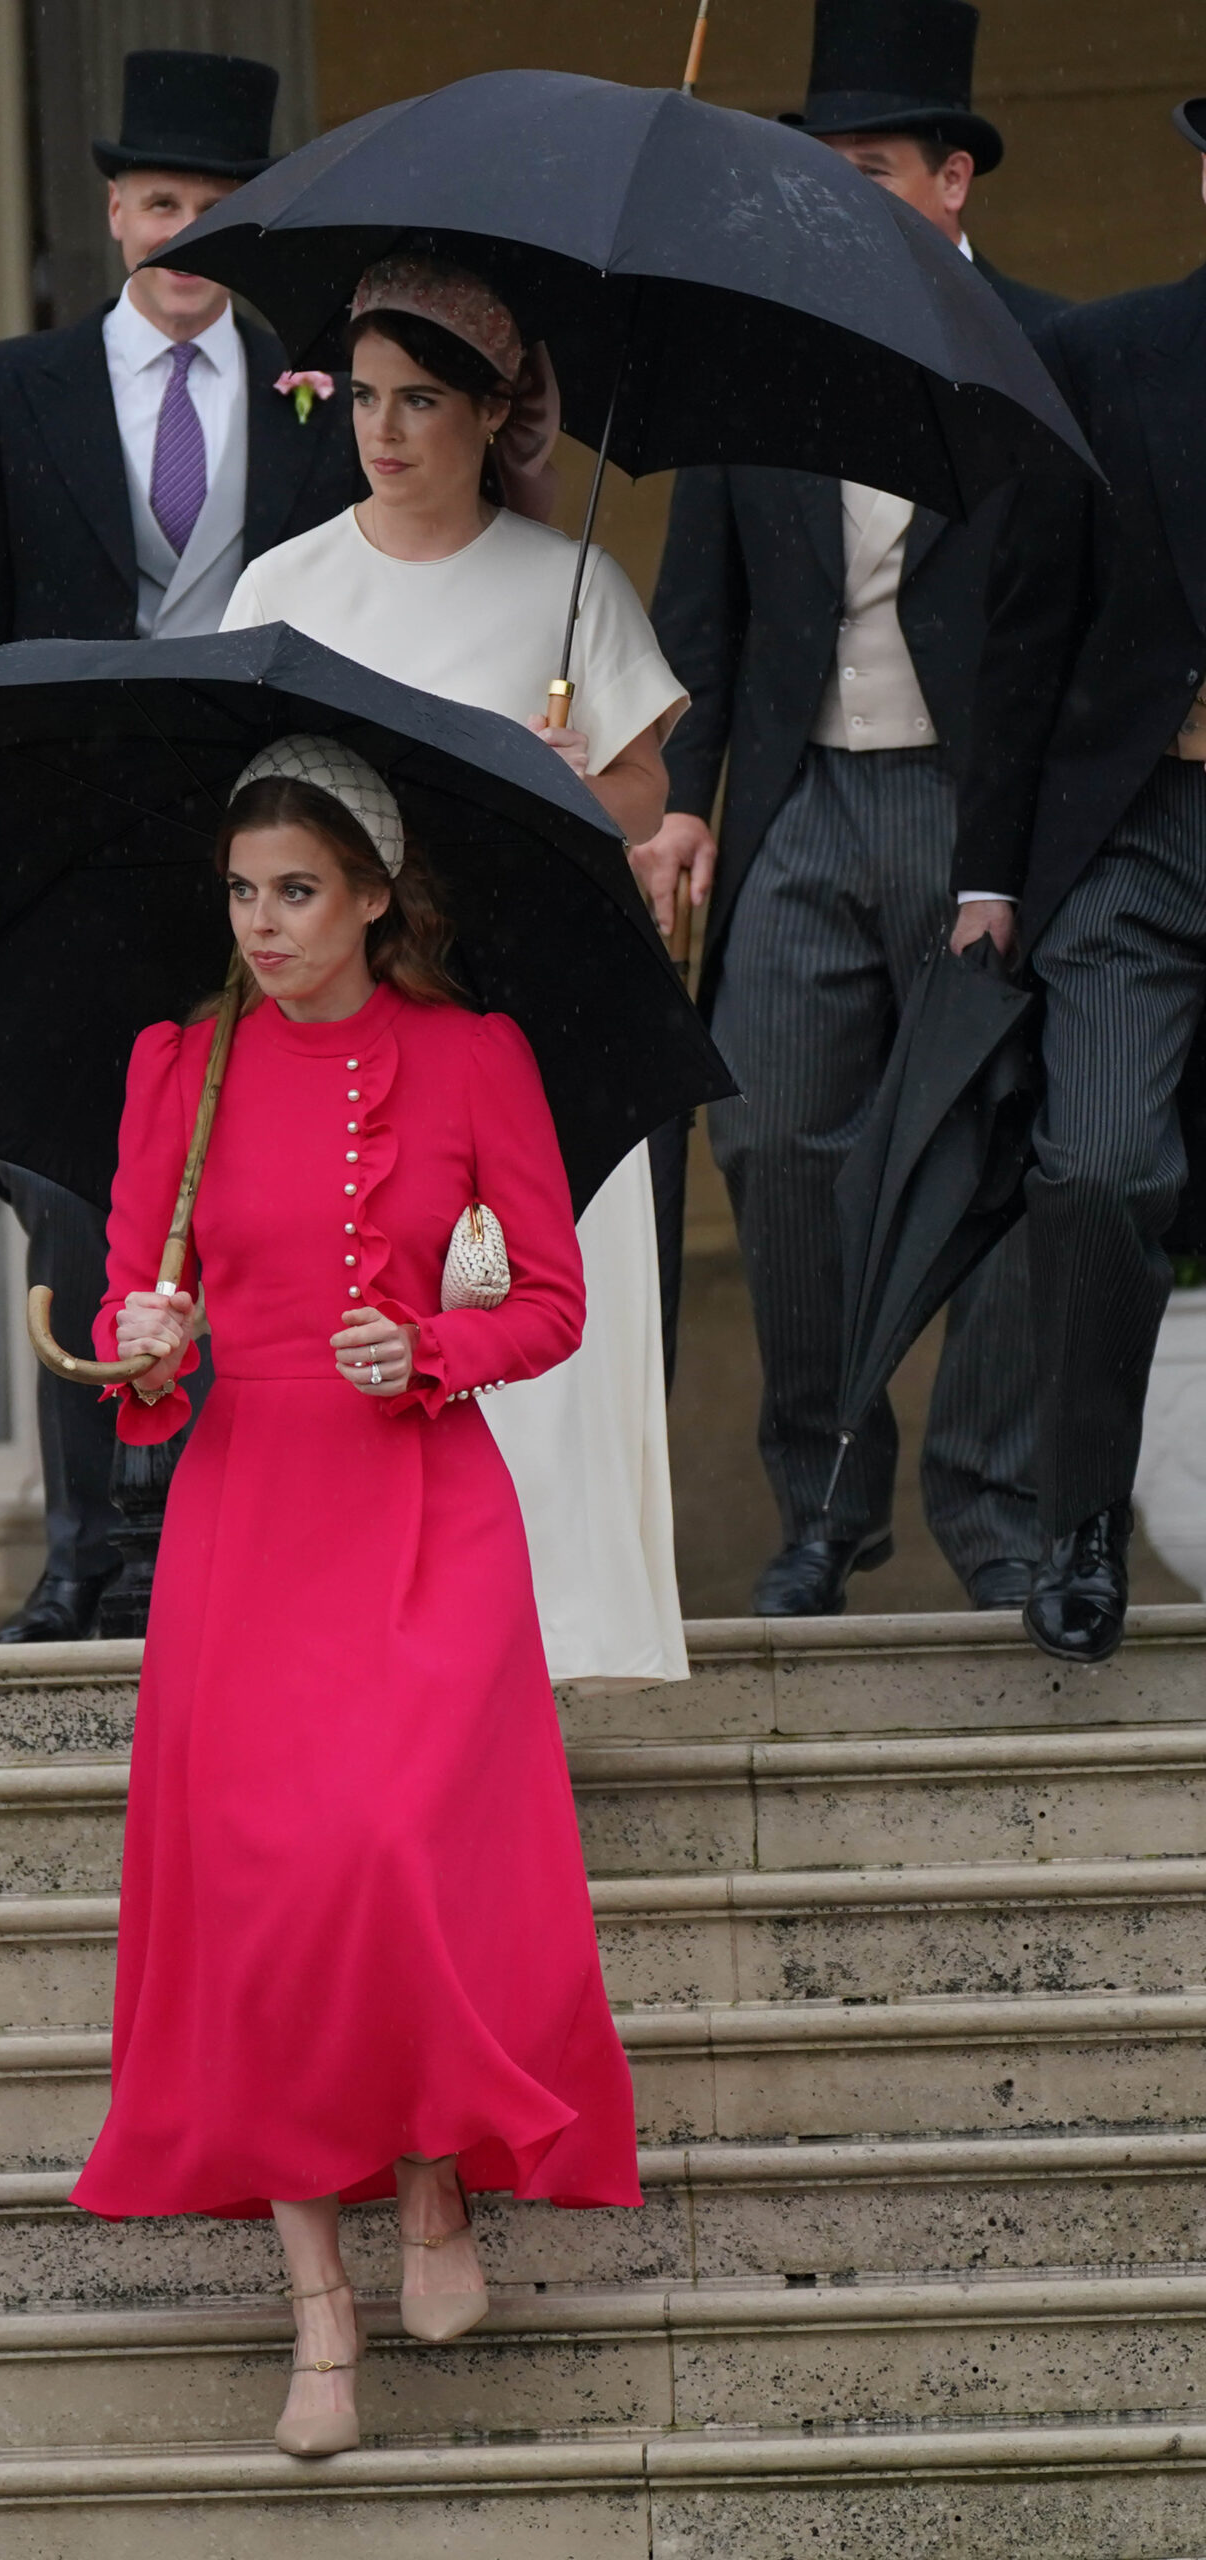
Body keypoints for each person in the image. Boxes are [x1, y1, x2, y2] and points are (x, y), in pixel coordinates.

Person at [69, 737, 640, 2457]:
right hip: (246, 1513)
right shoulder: (174, 1065)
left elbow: (551, 1301)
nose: (262, 922)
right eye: (242, 892)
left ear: (376, 896)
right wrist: (139, 1349)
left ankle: (435, 2195)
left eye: (297, 891)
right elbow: (127, 1319)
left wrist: (432, 1347)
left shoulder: (471, 1059)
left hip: (418, 1503)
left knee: (387, 1853)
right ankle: (321, 2310)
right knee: (259, 1903)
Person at [0, 49, 358, 1642]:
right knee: (81, 1195)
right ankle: (88, 1550)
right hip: (61, 854)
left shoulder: (317, 394)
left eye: (218, 212)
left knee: (249, 1183)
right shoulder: (7, 391)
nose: (184, 237)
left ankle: (212, 1544)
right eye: (161, 204)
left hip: (256, 844)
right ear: (114, 215)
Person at [646, 0, 1066, 1619]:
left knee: (1009, 1157)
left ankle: (994, 1504)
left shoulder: (1049, 355)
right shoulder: (755, 365)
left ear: (953, 179)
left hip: (987, 811)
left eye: (872, 168)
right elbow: (702, 613)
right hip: (803, 809)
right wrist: (683, 800)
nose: (837, 196)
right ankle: (826, 1500)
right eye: (815, 171)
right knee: (771, 1134)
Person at [222, 254, 691, 1682]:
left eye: (420, 400)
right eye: (364, 397)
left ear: (493, 412)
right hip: (347, 1023)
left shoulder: (571, 584)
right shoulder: (280, 585)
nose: (385, 431)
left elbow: (642, 790)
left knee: (512, 1313)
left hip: (518, 1016)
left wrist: (563, 781)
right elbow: (240, 798)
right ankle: (367, 1639)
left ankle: (552, 1642)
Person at [944, 96, 1206, 1664]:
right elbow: (1024, 625)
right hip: (1140, 833)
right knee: (1098, 1167)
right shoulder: (1106, 358)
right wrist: (989, 874)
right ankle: (1080, 1519)